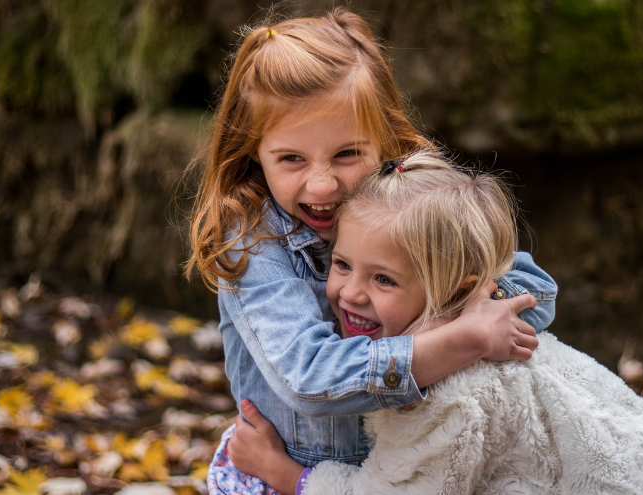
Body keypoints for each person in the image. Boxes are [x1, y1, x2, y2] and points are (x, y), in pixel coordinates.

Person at [185, 8, 557, 495]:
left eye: (346, 154)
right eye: (292, 159)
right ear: (254, 150)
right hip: (295, 474)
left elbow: (535, 293)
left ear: (384, 141)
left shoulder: (410, 206)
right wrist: (462, 339)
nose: (323, 184)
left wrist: (451, 309)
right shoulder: (253, 241)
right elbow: (310, 378)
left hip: (408, 471)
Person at [229, 152, 643, 495]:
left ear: (457, 288)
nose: (351, 293)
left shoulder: (445, 390)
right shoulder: (490, 319)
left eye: (384, 280)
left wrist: (285, 475)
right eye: (342, 264)